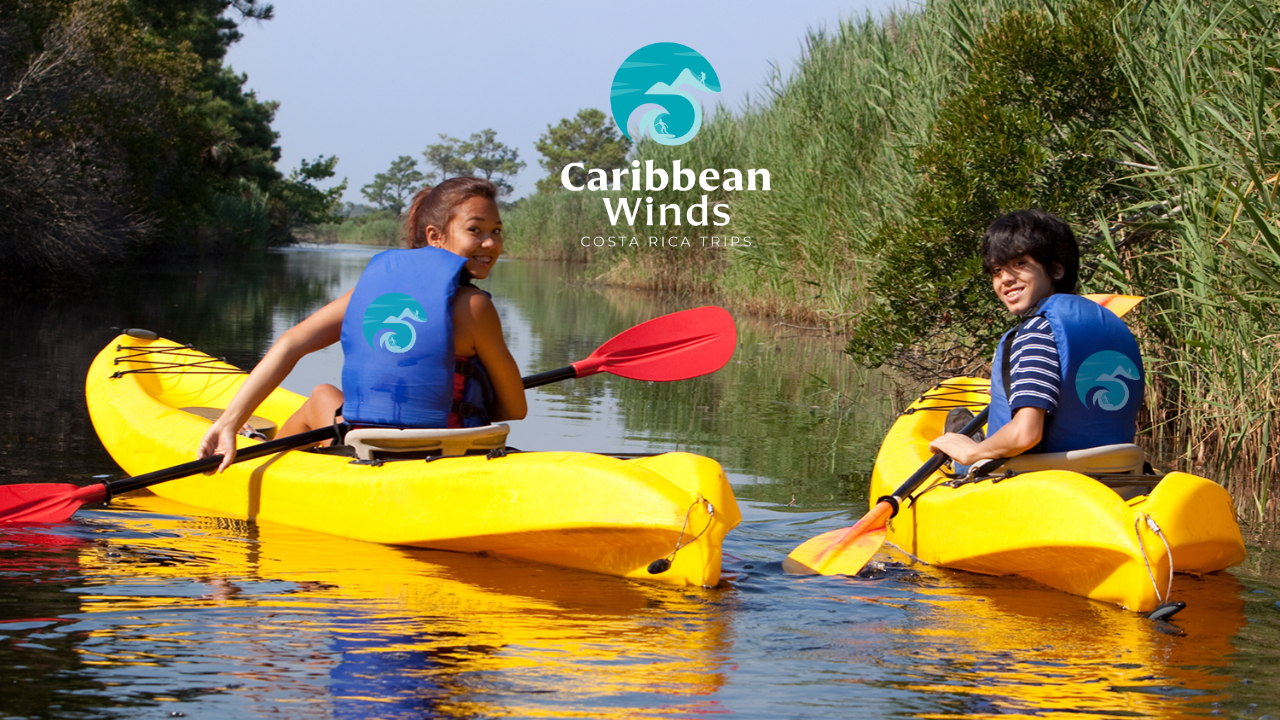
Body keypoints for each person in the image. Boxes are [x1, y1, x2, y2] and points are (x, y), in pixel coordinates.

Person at [198, 177, 527, 473]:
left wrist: (229, 421)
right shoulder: (475, 307)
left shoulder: (371, 293)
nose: (490, 243)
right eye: (476, 230)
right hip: (448, 453)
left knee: (321, 395)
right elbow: (514, 407)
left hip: (372, 448)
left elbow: (291, 343)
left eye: (496, 231)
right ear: (435, 236)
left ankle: (260, 468)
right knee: (325, 395)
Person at [929, 209, 1143, 467]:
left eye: (1019, 264)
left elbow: (1025, 434)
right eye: (997, 270)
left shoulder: (1037, 331)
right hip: (1116, 474)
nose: (1005, 279)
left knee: (957, 422)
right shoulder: (1112, 326)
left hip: (1039, 478)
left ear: (1055, 269)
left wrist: (971, 452)